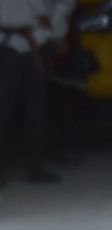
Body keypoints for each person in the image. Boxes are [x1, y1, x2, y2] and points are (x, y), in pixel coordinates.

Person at [0, 0, 68, 187]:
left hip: (36, 43)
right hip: (5, 44)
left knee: (36, 110)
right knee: (3, 111)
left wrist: (54, 31)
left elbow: (63, 4)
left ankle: (36, 168)